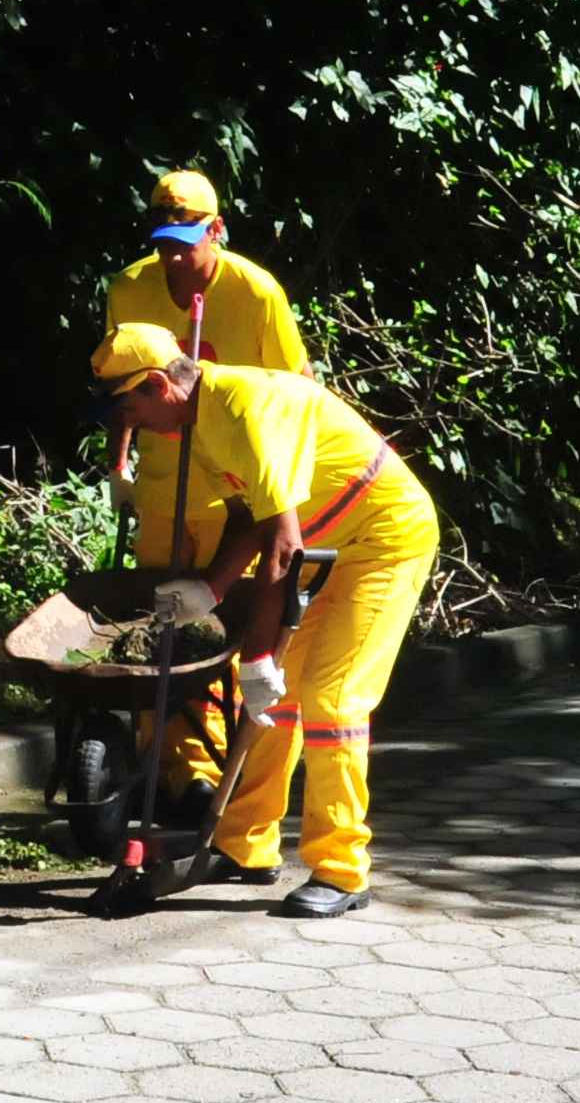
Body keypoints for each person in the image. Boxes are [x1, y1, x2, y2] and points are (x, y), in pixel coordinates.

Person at [86, 322, 437, 918]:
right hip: (327, 543)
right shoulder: (203, 418)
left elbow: (281, 547)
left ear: (156, 385)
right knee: (274, 702)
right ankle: (245, 843)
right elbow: (251, 513)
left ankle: (343, 870)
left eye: (130, 408)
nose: (132, 423)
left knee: (332, 698)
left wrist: (256, 655)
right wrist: (211, 588)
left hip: (383, 542)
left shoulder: (246, 408)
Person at [100, 170, 308, 809]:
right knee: (155, 623)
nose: (172, 255)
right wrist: (120, 467)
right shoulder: (131, 287)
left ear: (216, 230)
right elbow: (122, 385)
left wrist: (293, 493)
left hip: (235, 494)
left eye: (186, 241)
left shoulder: (255, 293)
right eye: (163, 240)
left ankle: (215, 774)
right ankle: (171, 767)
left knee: (217, 630)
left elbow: (294, 391)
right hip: (164, 486)